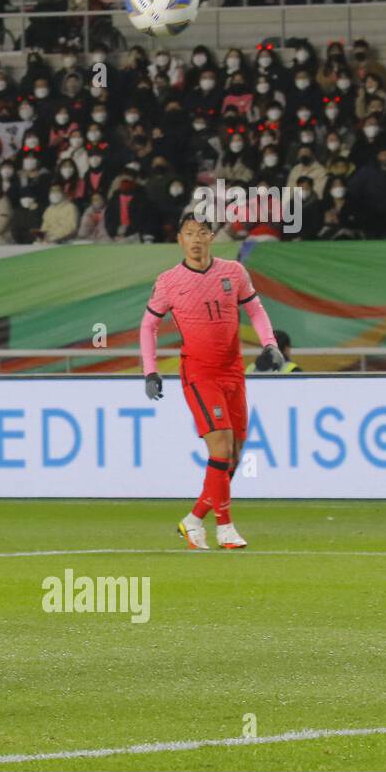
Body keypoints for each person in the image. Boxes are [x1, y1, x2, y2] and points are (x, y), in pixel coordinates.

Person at [140, 215, 285, 551]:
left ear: (211, 238)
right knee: (220, 448)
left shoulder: (233, 272)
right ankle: (225, 528)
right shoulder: (168, 282)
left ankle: (193, 521)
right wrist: (150, 370)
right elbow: (148, 326)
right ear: (179, 239)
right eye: (189, 233)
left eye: (202, 233)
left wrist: (270, 344)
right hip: (200, 372)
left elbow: (257, 310)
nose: (196, 239)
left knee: (233, 456)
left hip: (233, 371)